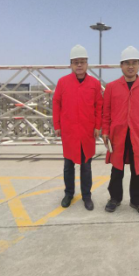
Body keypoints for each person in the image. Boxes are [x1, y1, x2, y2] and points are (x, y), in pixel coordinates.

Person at [102, 46, 139, 217]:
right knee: (116, 169)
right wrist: (105, 131)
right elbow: (106, 112)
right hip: (118, 135)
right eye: (127, 63)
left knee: (138, 170)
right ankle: (114, 199)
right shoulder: (112, 87)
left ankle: (137, 202)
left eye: (134, 63)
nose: (130, 66)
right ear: (121, 65)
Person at [53, 45, 103, 211]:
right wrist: (57, 125)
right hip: (69, 131)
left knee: (86, 166)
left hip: (87, 132)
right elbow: (56, 103)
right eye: (76, 62)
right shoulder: (63, 82)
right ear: (71, 65)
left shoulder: (94, 84)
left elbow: (99, 106)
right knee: (68, 165)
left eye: (82, 62)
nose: (79, 65)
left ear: (87, 63)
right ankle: (68, 194)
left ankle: (86, 196)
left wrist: (98, 126)